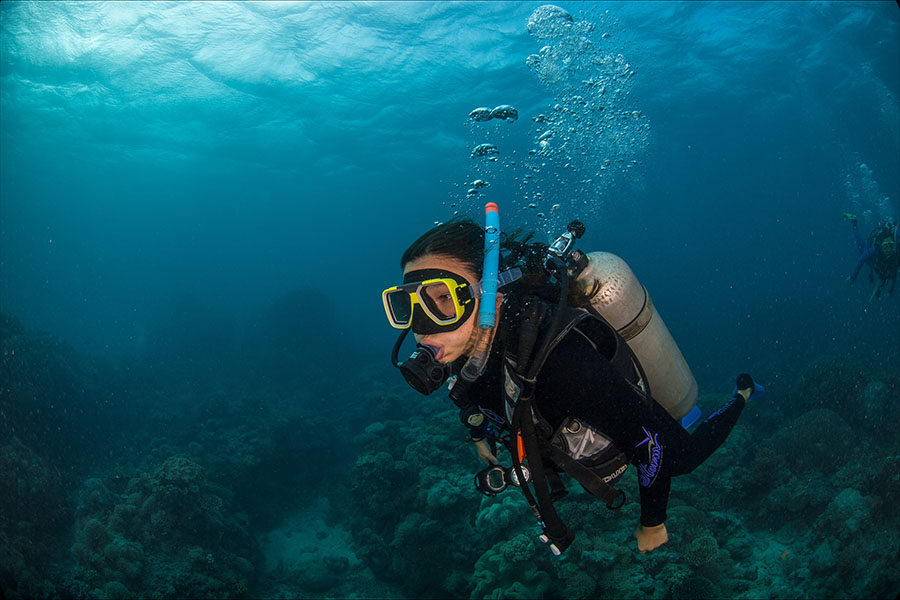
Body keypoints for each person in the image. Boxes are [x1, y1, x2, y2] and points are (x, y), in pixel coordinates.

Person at [382, 210, 762, 555]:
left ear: (491, 297)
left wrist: (652, 524)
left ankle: (742, 393)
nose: (422, 324)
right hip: (560, 434)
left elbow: (650, 446)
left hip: (621, 415)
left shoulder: (562, 366)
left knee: (685, 458)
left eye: (442, 300)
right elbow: (474, 395)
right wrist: (479, 434)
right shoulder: (461, 349)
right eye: (407, 305)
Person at [843, 213, 899, 300]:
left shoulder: (897, 250)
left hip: (884, 269)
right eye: (885, 246)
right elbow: (862, 259)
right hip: (875, 263)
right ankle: (854, 223)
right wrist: (853, 277)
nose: (888, 249)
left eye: (891, 245)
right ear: (881, 246)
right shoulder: (876, 249)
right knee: (861, 248)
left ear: (895, 245)